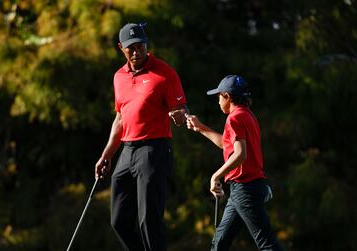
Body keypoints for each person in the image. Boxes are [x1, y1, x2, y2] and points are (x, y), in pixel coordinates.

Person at [94, 22, 188, 251]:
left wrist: (180, 116)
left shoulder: (165, 74)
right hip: (127, 151)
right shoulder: (119, 77)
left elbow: (182, 110)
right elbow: (120, 120)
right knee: (119, 221)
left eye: (140, 46)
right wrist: (106, 155)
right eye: (131, 48)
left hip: (154, 150)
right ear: (121, 48)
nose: (136, 52)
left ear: (146, 45)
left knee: (149, 221)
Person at [186, 75, 284, 251]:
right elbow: (227, 145)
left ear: (227, 97)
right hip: (244, 188)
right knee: (220, 242)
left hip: (245, 188)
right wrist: (200, 128)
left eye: (219, 97)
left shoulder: (234, 118)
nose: (217, 101)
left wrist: (216, 175)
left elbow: (240, 155)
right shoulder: (247, 115)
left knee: (266, 244)